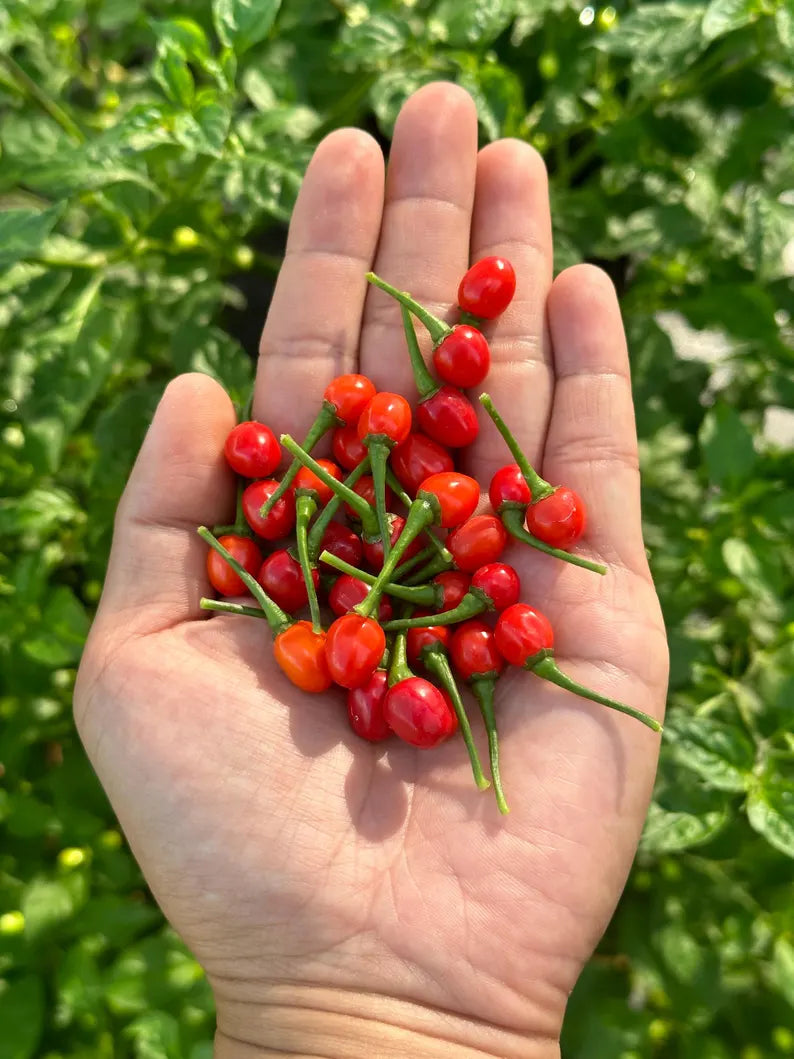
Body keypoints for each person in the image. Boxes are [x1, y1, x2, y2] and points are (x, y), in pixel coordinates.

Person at [73, 82, 669, 1058]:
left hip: (395, 567)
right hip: (382, 570)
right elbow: (379, 623)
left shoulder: (425, 572)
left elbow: (408, 605)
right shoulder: (376, 587)